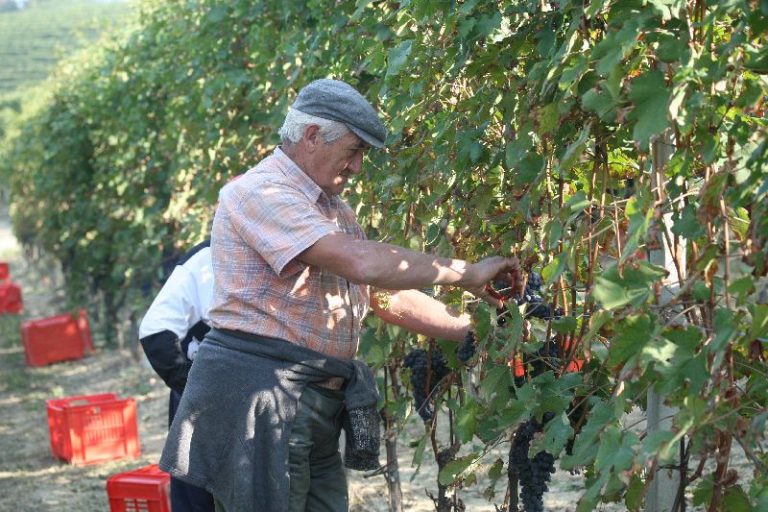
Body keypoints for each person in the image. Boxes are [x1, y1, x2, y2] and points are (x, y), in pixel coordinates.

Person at [159, 78, 519, 512]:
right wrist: (465, 272)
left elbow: (379, 296)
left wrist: (475, 329)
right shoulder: (260, 192)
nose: (357, 168)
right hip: (265, 401)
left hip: (312, 404)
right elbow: (362, 263)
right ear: (312, 136)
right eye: (353, 151)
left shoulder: (332, 210)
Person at [139, 240, 216, 512]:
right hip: (205, 402)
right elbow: (155, 333)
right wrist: (193, 388)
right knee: (198, 494)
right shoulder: (207, 258)